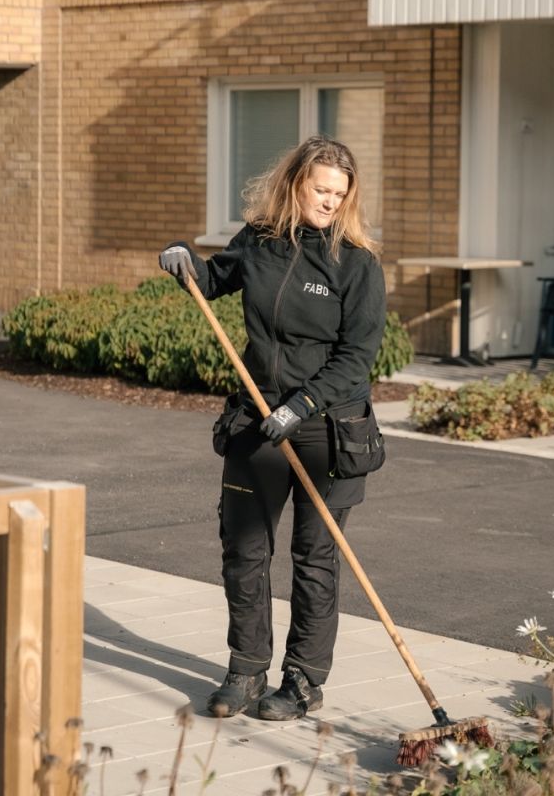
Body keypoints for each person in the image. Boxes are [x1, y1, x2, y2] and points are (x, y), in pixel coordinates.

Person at [158, 135, 386, 721]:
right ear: (295, 184)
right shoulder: (259, 244)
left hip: (327, 429)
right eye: (321, 189)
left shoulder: (356, 263)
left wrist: (302, 405)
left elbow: (357, 359)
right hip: (257, 418)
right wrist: (183, 256)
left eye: (341, 194)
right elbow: (210, 282)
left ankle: (304, 681)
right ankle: (246, 671)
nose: (331, 202)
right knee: (245, 551)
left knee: (314, 560)